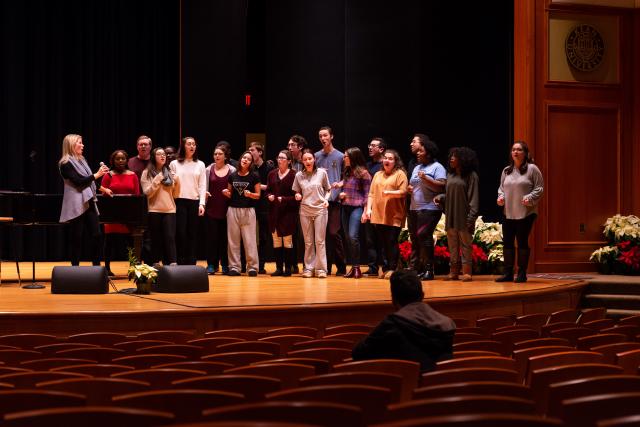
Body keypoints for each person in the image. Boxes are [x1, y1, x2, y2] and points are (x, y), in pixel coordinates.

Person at [352, 269, 456, 372]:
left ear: (393, 300)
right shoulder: (448, 325)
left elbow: (358, 353)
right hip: (436, 386)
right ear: (422, 295)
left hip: (406, 385)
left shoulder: (392, 325)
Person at [495, 141, 544, 283]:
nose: (515, 152)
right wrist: (501, 197)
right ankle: (508, 273)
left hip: (526, 213)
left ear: (525, 153)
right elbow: (501, 188)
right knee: (508, 242)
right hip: (508, 212)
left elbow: (539, 188)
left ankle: (522, 272)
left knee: (522, 241)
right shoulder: (506, 171)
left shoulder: (532, 169)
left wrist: (530, 197)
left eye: (519, 149)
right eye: (513, 150)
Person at [58, 134, 110, 266]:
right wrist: (97, 175)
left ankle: (96, 267)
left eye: (82, 143)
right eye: (79, 143)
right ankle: (75, 267)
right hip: (76, 203)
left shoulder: (82, 160)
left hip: (89, 200)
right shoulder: (65, 164)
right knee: (77, 237)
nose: (83, 145)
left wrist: (103, 189)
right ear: (71, 145)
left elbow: (88, 180)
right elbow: (78, 182)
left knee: (97, 235)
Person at [435, 147, 479, 282]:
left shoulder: (471, 176)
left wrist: (471, 217)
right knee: (452, 245)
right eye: (451, 156)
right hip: (451, 215)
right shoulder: (450, 175)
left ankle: (467, 272)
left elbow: (474, 198)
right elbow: (449, 195)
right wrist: (441, 197)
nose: (452, 158)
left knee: (466, 244)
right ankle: (453, 272)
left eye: (455, 156)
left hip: (464, 216)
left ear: (464, 159)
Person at [363, 149, 408, 279]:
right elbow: (371, 193)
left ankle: (393, 268)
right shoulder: (378, 174)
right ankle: (386, 267)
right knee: (383, 243)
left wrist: (390, 193)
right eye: (385, 158)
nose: (387, 160)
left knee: (391, 241)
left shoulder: (400, 174)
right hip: (378, 214)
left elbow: (403, 191)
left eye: (390, 158)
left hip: (394, 214)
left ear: (395, 161)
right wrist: (369, 209)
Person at [408, 141, 446, 280]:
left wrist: (426, 178)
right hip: (414, 208)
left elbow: (442, 186)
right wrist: (409, 188)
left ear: (429, 154)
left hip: (430, 208)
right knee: (417, 239)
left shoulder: (437, 167)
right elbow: (412, 184)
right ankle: (421, 269)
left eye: (421, 151)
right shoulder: (417, 167)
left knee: (424, 235)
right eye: (417, 151)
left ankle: (430, 270)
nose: (418, 153)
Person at [100, 149, 140, 275]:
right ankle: (107, 268)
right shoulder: (108, 175)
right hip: (112, 214)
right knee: (109, 242)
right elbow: (103, 194)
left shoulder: (133, 175)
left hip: (128, 214)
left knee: (130, 242)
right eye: (117, 159)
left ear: (127, 160)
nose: (120, 161)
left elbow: (137, 195)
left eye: (123, 158)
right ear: (113, 161)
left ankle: (133, 268)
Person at [293, 149, 331, 278]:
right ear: (302, 161)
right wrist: (297, 195)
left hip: (320, 209)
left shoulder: (322, 173)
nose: (308, 161)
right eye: (305, 159)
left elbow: (328, 189)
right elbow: (296, 191)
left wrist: (326, 199)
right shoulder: (299, 175)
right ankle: (309, 268)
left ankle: (321, 269)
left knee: (320, 241)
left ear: (314, 159)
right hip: (305, 210)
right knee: (308, 242)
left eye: (310, 159)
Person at [223, 151, 261, 276]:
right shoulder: (232, 176)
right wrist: (226, 193)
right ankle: (234, 267)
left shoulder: (254, 176)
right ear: (240, 159)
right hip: (233, 209)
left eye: (249, 159)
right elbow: (229, 192)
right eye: (244, 157)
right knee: (233, 240)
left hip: (248, 210)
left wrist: (250, 194)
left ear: (251, 163)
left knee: (250, 240)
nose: (245, 160)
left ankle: (252, 267)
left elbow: (258, 195)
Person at [170, 136, 206, 265]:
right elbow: (170, 185)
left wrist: (202, 203)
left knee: (192, 233)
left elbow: (202, 185)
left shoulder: (200, 164)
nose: (192, 146)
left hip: (194, 201)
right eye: (189, 144)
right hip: (179, 201)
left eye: (194, 144)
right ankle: (180, 260)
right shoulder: (174, 164)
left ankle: (191, 261)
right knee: (180, 232)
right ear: (183, 146)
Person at [315, 126, 346, 275]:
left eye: (325, 135)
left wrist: (340, 186)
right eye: (320, 136)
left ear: (331, 136)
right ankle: (324, 266)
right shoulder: (316, 156)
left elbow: (346, 177)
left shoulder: (340, 156)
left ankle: (341, 266)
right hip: (319, 200)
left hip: (334, 200)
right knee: (321, 235)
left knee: (334, 233)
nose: (323, 138)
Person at [335, 147, 371, 279]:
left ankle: (357, 268)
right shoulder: (347, 171)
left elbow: (368, 194)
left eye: (346, 156)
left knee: (353, 236)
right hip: (345, 207)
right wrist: (341, 194)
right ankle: (354, 267)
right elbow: (346, 188)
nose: (344, 159)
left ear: (353, 157)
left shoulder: (364, 173)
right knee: (348, 239)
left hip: (357, 208)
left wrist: (366, 211)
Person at [141, 148, 180, 266]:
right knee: (156, 239)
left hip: (170, 209)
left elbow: (175, 195)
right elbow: (147, 193)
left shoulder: (169, 172)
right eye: (159, 154)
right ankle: (155, 264)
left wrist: (178, 182)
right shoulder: (146, 173)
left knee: (170, 238)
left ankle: (173, 264)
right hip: (154, 210)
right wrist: (157, 179)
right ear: (153, 157)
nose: (163, 156)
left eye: (164, 154)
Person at [266, 149, 299, 276]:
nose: (279, 160)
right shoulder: (272, 174)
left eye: (283, 158)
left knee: (287, 241)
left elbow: (297, 196)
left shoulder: (294, 175)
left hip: (288, 213)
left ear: (289, 161)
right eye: (278, 157)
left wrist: (284, 199)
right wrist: (269, 196)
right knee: (276, 240)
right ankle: (279, 268)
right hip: (274, 212)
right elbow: (268, 190)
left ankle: (288, 268)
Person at [204, 145, 236, 275]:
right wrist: (204, 195)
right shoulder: (208, 169)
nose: (217, 156)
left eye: (220, 154)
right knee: (212, 238)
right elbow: (204, 186)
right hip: (212, 208)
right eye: (215, 154)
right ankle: (211, 264)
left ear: (225, 156)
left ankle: (225, 264)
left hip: (227, 208)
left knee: (225, 238)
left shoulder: (232, 170)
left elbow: (234, 189)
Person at [249, 142, 275, 274]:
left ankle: (261, 264)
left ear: (259, 152)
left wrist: (259, 187)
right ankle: (249, 263)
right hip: (252, 205)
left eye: (252, 150)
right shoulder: (250, 167)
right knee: (250, 236)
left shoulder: (269, 167)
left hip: (264, 205)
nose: (250, 152)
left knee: (264, 236)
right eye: (249, 150)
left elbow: (272, 186)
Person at [363, 137, 386, 277]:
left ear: (381, 149)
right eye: (369, 145)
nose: (370, 148)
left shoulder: (386, 165)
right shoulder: (368, 166)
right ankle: (372, 268)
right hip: (369, 205)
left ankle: (385, 267)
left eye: (373, 146)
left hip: (383, 206)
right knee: (370, 238)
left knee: (383, 239)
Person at [287, 135, 307, 274]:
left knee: (305, 236)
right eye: (288, 145)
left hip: (305, 203)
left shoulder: (307, 161)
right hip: (290, 203)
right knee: (292, 235)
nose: (289, 147)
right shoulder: (289, 163)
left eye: (292, 145)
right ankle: (293, 264)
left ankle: (307, 264)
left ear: (300, 147)